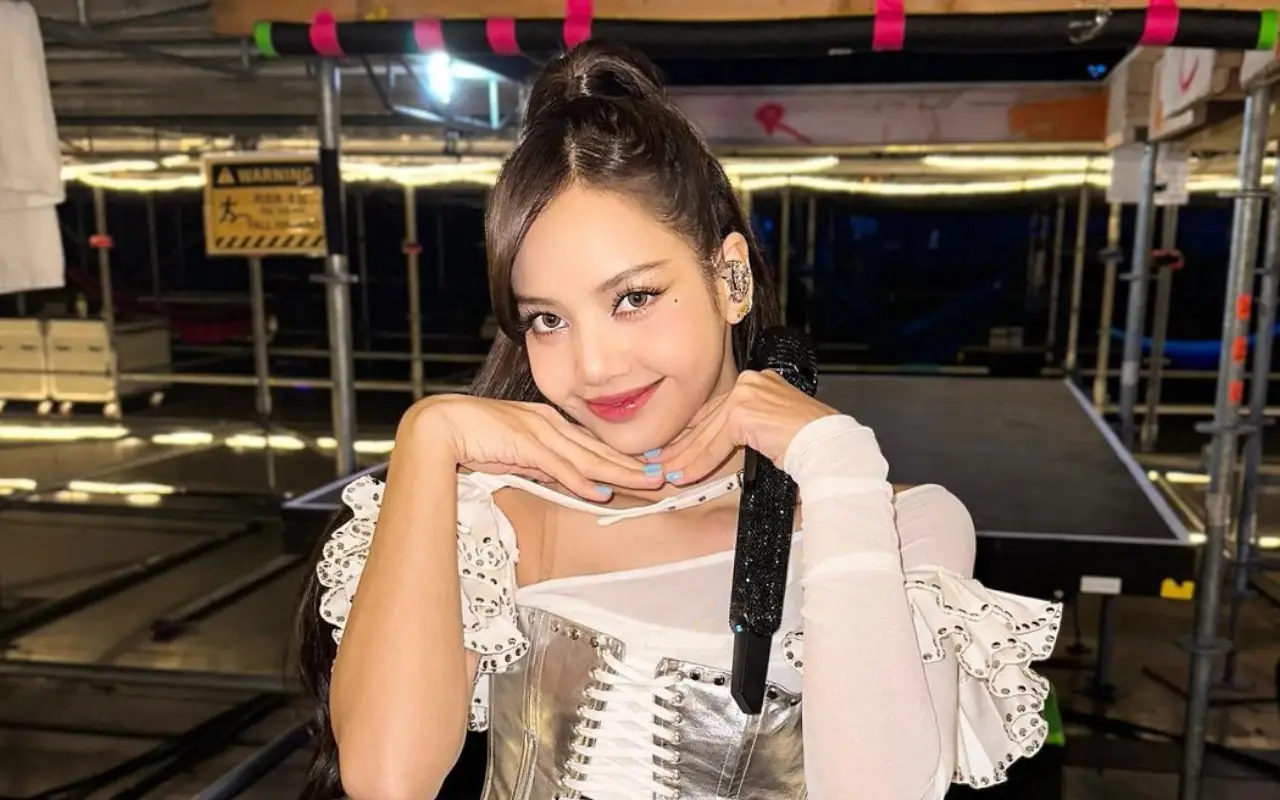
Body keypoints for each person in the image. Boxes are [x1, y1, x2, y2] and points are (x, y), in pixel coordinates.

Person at [295, 40, 1061, 800]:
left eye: (633, 298)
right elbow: (386, 781)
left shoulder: (893, 524)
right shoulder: (501, 515)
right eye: (548, 320)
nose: (595, 366)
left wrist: (836, 464)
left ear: (731, 278)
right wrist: (428, 439)